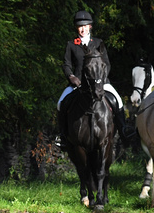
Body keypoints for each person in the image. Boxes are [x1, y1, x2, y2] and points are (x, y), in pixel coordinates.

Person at [56, 10, 135, 149]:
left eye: (85, 26)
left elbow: (107, 64)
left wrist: (100, 80)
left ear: (90, 26)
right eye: (80, 26)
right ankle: (62, 135)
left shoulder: (98, 43)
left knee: (118, 100)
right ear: (76, 28)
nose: (83, 29)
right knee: (60, 102)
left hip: (100, 82)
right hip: (78, 82)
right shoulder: (71, 44)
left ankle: (123, 130)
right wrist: (71, 77)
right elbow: (67, 64)